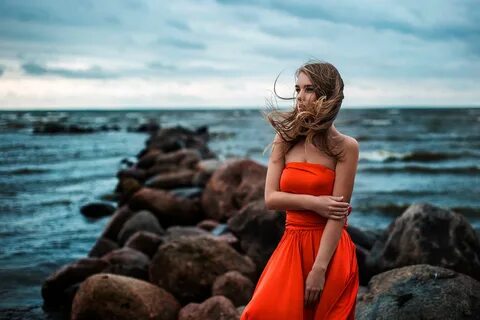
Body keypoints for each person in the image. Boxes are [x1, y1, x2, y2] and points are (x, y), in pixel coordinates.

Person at [240, 61, 359, 319]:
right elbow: (271, 199)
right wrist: (314, 203)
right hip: (292, 244)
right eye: (298, 89)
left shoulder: (346, 147)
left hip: (330, 251)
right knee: (259, 312)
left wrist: (319, 269)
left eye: (309, 89)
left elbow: (338, 214)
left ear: (326, 94)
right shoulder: (284, 138)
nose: (300, 97)